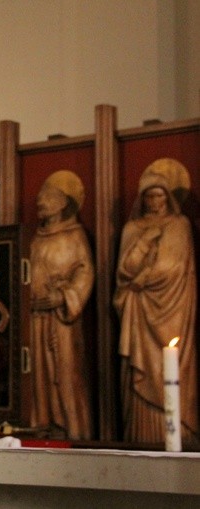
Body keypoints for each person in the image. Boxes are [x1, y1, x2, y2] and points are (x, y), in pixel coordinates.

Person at [114, 159, 198, 445]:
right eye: (149, 195)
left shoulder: (179, 225)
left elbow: (173, 265)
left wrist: (145, 277)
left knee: (169, 369)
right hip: (137, 312)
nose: (154, 201)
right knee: (140, 371)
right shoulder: (132, 229)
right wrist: (145, 240)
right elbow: (125, 270)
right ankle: (140, 436)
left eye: (160, 194)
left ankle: (179, 435)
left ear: (169, 197)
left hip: (172, 309)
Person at [29, 170, 94, 440]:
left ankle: (72, 430)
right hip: (36, 319)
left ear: (63, 202)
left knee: (65, 375)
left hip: (63, 321)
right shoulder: (35, 238)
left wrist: (64, 296)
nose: (40, 201)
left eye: (48, 196)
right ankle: (43, 428)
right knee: (39, 378)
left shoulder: (75, 235)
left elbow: (85, 273)